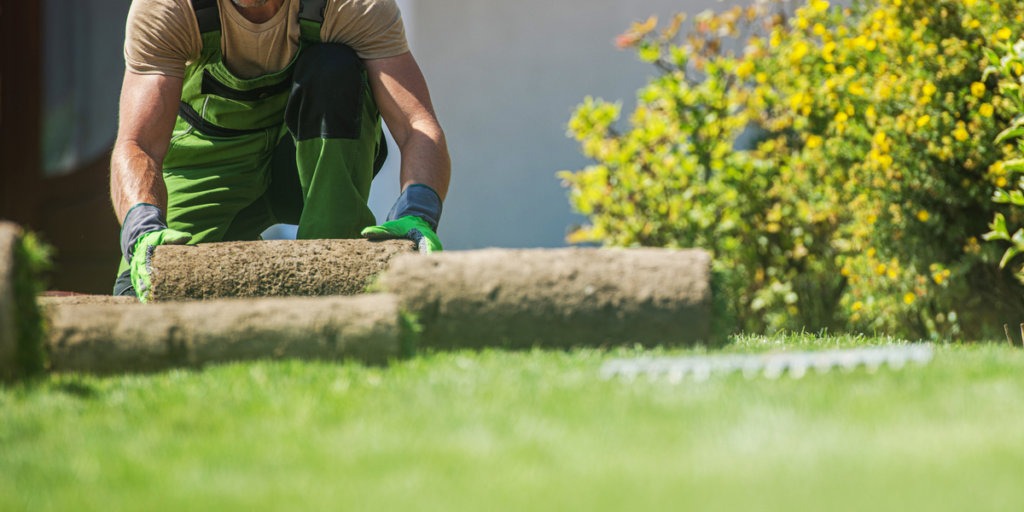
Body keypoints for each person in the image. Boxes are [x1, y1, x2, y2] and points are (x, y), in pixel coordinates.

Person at [110, 0, 450, 301]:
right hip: (210, 166)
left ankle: (333, 267)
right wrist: (142, 228)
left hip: (312, 169)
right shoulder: (169, 8)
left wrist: (418, 211)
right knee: (141, 289)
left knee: (335, 67)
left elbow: (416, 125)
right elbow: (138, 143)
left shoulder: (354, 5)